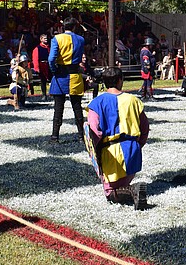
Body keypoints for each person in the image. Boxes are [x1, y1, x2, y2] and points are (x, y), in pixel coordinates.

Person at [85, 67, 149, 207]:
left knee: (110, 193)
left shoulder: (97, 103)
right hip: (132, 149)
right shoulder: (134, 100)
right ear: (120, 80)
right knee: (123, 183)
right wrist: (138, 145)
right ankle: (131, 190)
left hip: (111, 153)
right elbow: (144, 127)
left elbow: (94, 132)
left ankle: (132, 190)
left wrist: (97, 154)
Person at [48, 17, 86, 143]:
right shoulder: (81, 39)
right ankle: (81, 136)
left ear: (64, 27)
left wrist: (54, 70)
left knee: (58, 108)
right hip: (75, 75)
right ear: (74, 27)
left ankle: (55, 137)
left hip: (60, 75)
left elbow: (51, 59)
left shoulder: (57, 38)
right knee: (77, 107)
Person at [31, 34, 51, 101]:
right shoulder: (37, 48)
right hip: (42, 65)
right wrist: (36, 68)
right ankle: (44, 95)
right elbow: (35, 59)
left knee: (52, 80)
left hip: (49, 65)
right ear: (41, 39)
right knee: (43, 81)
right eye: (44, 38)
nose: (46, 39)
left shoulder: (48, 47)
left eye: (46, 38)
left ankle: (52, 94)